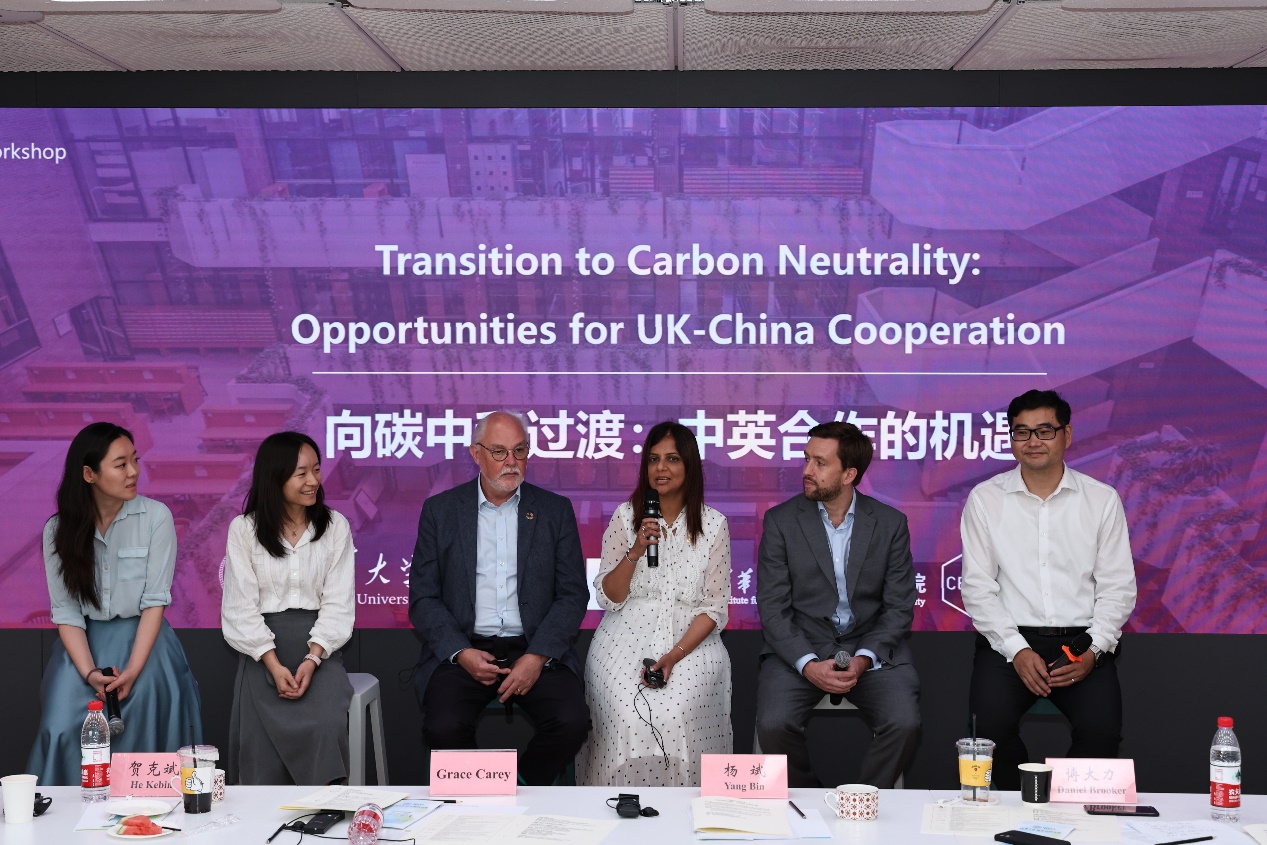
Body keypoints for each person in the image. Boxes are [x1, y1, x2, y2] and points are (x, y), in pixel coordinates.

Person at [960, 389, 1137, 789]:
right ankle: (1020, 805)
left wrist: (1094, 649)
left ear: (1066, 435)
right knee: (987, 734)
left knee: (1102, 734)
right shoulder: (985, 499)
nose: (1033, 441)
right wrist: (1017, 650)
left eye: (1044, 430)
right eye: (1022, 432)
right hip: (1008, 643)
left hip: (1081, 643)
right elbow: (977, 588)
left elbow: (1118, 587)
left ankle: (1063, 807)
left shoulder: (1101, 500)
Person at [409, 411, 591, 785]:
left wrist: (537, 657)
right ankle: (479, 796)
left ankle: (516, 787)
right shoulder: (441, 511)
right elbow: (423, 597)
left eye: (519, 451)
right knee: (443, 726)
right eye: (499, 452)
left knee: (572, 722)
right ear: (476, 453)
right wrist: (461, 652)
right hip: (466, 648)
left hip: (535, 647)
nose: (511, 461)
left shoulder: (554, 511)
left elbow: (573, 594)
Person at [27, 422, 203, 785]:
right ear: (89, 474)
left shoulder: (156, 517)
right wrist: (89, 672)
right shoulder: (57, 530)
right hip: (83, 646)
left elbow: (155, 602)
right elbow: (66, 611)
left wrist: (134, 669)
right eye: (121, 464)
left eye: (135, 460)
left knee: (145, 722)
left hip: (145, 642)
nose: (134, 471)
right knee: (60, 725)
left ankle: (145, 812)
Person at [755, 421, 920, 789]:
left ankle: (862, 799)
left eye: (820, 463)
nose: (807, 470)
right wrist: (808, 664)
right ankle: (810, 800)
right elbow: (773, 607)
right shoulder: (781, 521)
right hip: (800, 645)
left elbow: (898, 608)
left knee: (904, 723)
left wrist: (863, 659)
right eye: (807, 459)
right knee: (774, 724)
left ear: (849, 474)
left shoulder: (890, 524)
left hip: (871, 648)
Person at [578, 422, 733, 787]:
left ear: (689, 466)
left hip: (690, 642)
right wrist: (635, 550)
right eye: (653, 459)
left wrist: (674, 656)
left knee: (676, 713)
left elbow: (713, 608)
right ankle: (617, 805)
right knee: (625, 714)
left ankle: (683, 810)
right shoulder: (625, 517)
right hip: (623, 636)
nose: (661, 468)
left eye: (672, 459)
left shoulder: (714, 525)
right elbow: (608, 596)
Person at [221, 431, 355, 785]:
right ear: (275, 477)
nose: (313, 481)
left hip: (319, 649)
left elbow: (338, 605)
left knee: (326, 725)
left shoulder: (335, 526)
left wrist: (312, 659)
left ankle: (325, 811)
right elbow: (239, 608)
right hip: (261, 650)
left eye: (316, 469)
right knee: (258, 743)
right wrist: (272, 663)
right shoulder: (244, 530)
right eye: (301, 473)